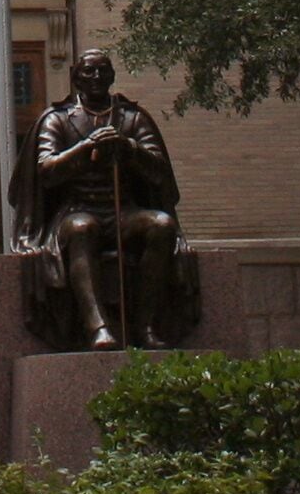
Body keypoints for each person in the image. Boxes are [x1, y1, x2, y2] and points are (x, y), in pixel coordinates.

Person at [11, 48, 191, 349]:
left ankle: (145, 325)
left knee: (161, 225)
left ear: (112, 76)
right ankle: (98, 328)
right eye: (88, 71)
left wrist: (130, 148)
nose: (96, 77)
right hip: (75, 212)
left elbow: (160, 172)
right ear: (75, 77)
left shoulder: (132, 118)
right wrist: (85, 148)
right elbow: (47, 171)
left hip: (124, 213)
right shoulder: (57, 120)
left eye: (102, 71)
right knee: (82, 228)